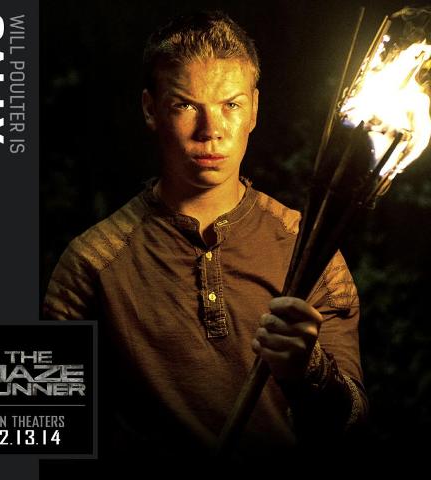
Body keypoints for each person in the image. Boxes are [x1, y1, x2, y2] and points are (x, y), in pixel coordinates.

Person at [43, 10, 368, 467]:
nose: (211, 129)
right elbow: (46, 430)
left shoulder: (310, 251)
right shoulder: (92, 263)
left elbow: (353, 427)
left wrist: (308, 372)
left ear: (254, 109)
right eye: (186, 105)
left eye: (230, 105)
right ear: (150, 109)